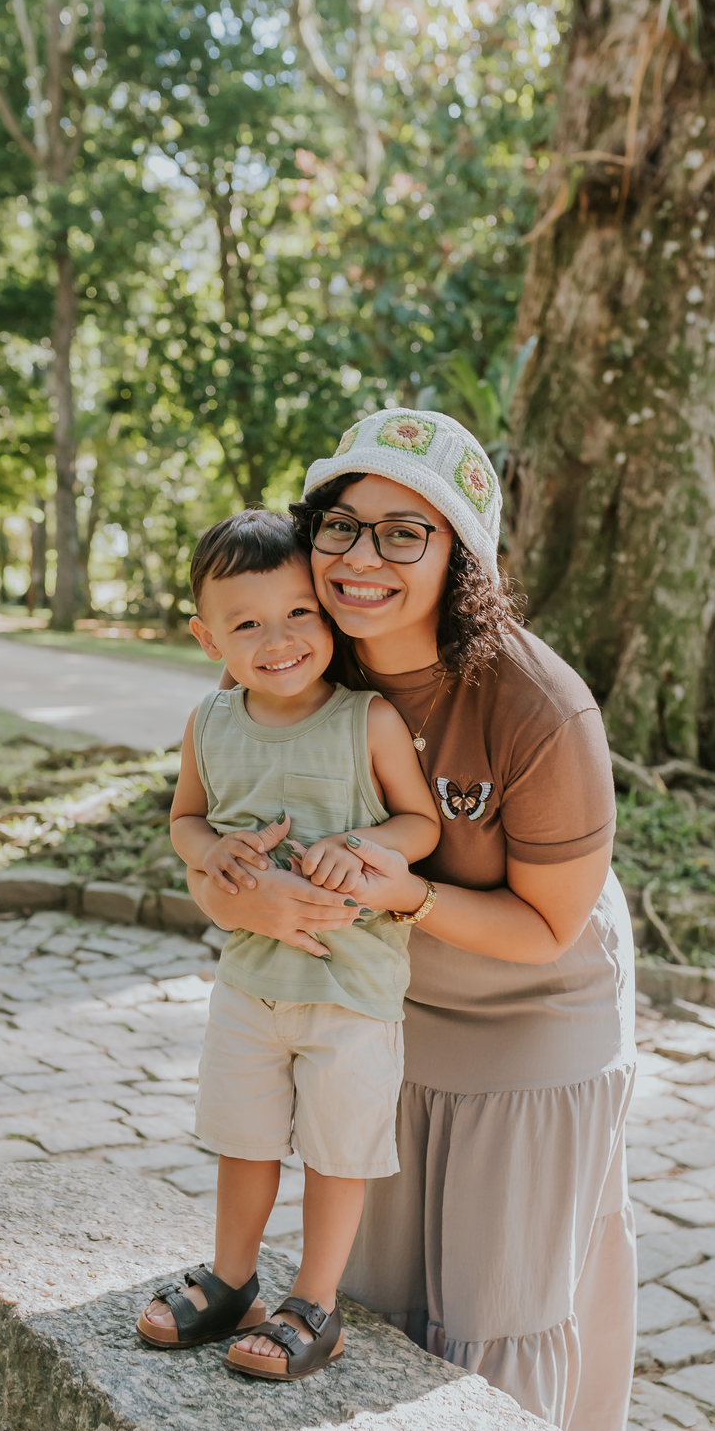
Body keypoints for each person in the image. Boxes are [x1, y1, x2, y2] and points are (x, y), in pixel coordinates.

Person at [184, 408, 636, 1431]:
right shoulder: (294, 647)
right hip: (375, 1008)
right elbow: (219, 841)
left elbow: (550, 927)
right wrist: (240, 897)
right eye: (341, 525)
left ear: (461, 559)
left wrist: (410, 896)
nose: (362, 557)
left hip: (532, 1014)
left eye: (405, 532)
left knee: (499, 1302)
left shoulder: (539, 706)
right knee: (373, 1296)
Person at [136, 509, 440, 1382]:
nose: (278, 640)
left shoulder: (366, 721)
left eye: (299, 612)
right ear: (208, 639)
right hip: (248, 984)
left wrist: (364, 844)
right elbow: (185, 820)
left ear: (329, 611)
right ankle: (233, 1280)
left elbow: (420, 822)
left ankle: (314, 1301)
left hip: (353, 990)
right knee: (246, 1139)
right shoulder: (209, 723)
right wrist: (211, 851)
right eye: (247, 625)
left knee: (338, 1152)